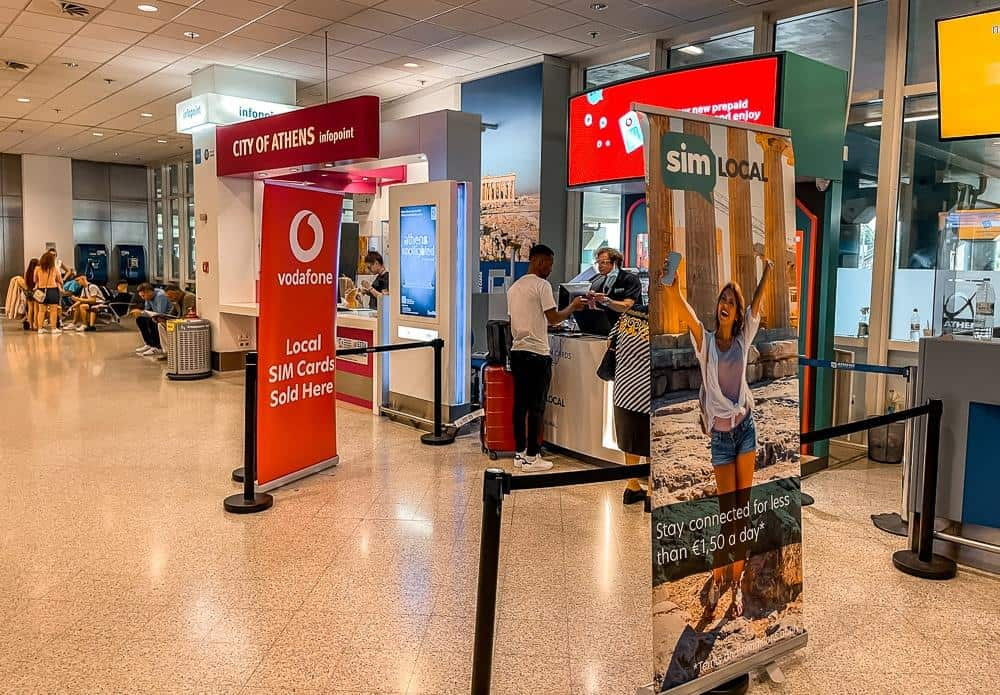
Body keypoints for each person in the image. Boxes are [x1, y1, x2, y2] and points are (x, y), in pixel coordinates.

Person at [664, 254, 775, 619]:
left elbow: (758, 302)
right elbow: (685, 313)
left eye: (731, 301)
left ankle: (736, 586)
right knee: (726, 513)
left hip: (745, 431)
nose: (725, 304)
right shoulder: (706, 343)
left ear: (738, 313)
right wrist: (674, 285)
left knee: (741, 512)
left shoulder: (744, 338)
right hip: (721, 439)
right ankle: (718, 575)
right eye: (722, 300)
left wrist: (768, 271)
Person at [507, 244, 587, 472]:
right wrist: (573, 306)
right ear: (539, 261)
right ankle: (533, 457)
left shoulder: (514, 288)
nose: (551, 268)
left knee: (519, 406)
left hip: (518, 352)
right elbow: (553, 318)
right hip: (537, 354)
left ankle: (520, 454)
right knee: (537, 407)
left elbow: (514, 319)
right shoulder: (542, 285)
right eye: (550, 263)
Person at [607, 304, 652, 510]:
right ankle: (652, 492)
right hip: (648, 392)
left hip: (624, 391)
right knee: (653, 443)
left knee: (631, 440)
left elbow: (610, 341)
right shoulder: (662, 320)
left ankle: (632, 486)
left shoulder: (628, 315)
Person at [588, 247, 643, 323]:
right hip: (608, 325)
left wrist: (606, 301)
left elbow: (626, 306)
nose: (599, 266)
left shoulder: (630, 279)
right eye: (598, 262)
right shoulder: (599, 280)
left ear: (615, 262)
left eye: (604, 262)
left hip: (628, 326)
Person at [129, 283, 176, 357]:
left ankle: (157, 346)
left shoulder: (160, 296)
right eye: (141, 296)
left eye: (143, 295)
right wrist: (140, 313)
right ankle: (149, 343)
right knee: (140, 319)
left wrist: (142, 312)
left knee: (152, 321)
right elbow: (147, 309)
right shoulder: (149, 298)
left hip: (168, 317)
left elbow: (160, 313)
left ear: (149, 292)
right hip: (157, 315)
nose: (142, 298)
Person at [33, 250, 63, 334]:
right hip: (52, 290)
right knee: (53, 310)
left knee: (41, 311)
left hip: (41, 290)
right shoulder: (54, 269)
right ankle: (53, 328)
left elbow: (35, 280)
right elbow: (59, 280)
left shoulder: (37, 269)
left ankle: (40, 328)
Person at [23, 257, 39, 331]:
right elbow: (37, 282)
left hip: (28, 291)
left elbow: (25, 283)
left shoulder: (27, 272)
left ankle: (30, 325)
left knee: (30, 309)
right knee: (36, 310)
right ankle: (36, 325)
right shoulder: (38, 272)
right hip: (36, 291)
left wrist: (27, 290)